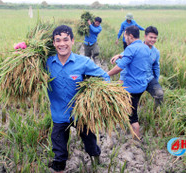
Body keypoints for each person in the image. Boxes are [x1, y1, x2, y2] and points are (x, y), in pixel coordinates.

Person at [47, 25, 109, 173]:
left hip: (80, 114)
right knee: (59, 152)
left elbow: (104, 77)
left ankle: (95, 159)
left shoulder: (83, 62)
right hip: (59, 114)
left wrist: (96, 95)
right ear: (54, 43)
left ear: (73, 41)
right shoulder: (47, 63)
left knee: (90, 143)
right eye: (58, 40)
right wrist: (21, 48)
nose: (62, 44)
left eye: (65, 40)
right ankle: (59, 168)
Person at [108, 25, 150, 138]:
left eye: (125, 37)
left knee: (133, 116)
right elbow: (136, 58)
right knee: (129, 108)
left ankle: (136, 141)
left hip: (132, 87)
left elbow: (119, 68)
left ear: (130, 36)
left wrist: (106, 74)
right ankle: (128, 128)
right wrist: (121, 56)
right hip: (141, 85)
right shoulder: (145, 47)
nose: (124, 39)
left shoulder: (130, 48)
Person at [114, 26, 164, 111]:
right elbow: (124, 64)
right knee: (129, 103)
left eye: (155, 38)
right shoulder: (135, 47)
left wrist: (156, 81)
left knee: (159, 93)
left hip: (148, 78)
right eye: (151, 37)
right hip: (135, 78)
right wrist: (122, 79)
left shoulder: (156, 52)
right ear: (145, 36)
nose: (153, 40)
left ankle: (156, 112)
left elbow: (156, 67)